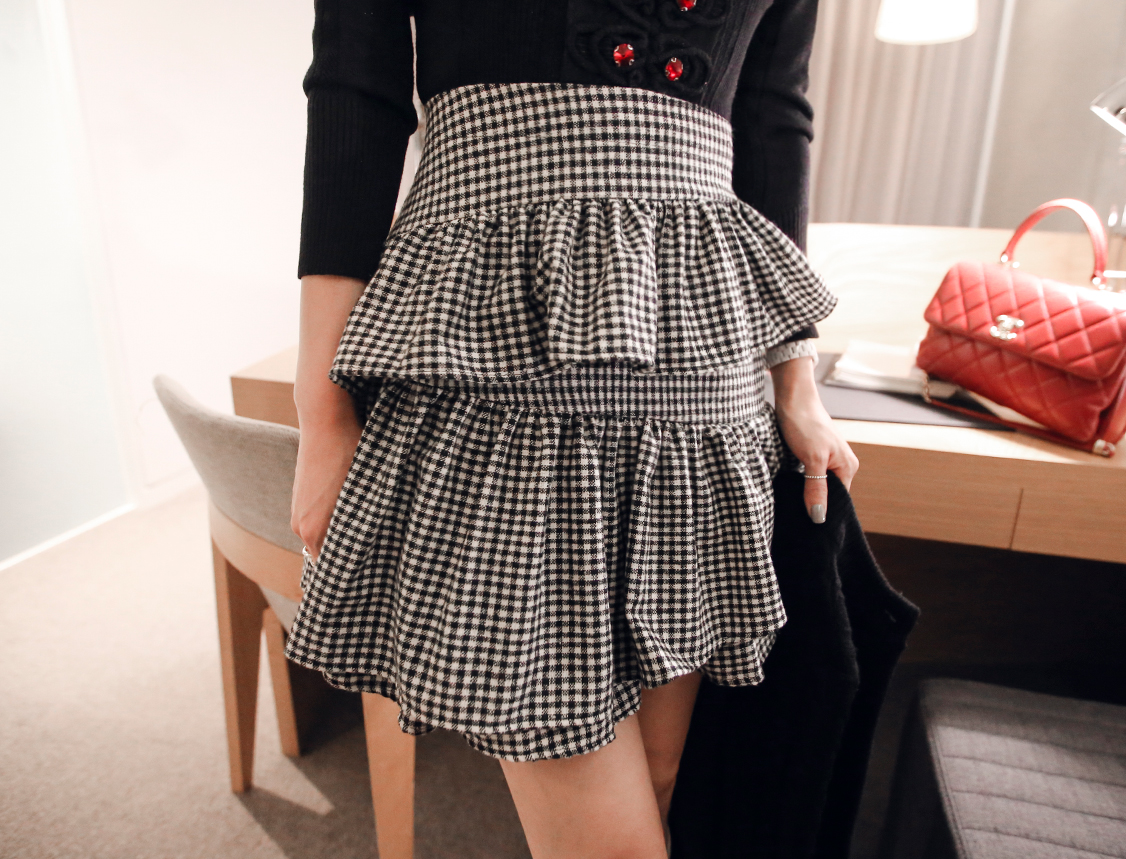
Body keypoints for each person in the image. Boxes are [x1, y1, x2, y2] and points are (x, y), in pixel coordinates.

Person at [284, 1, 858, 857]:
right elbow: (354, 88)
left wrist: (796, 378)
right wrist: (323, 413)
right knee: (608, 836)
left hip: (705, 365)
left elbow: (774, 110)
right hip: (501, 345)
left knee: (658, 775)